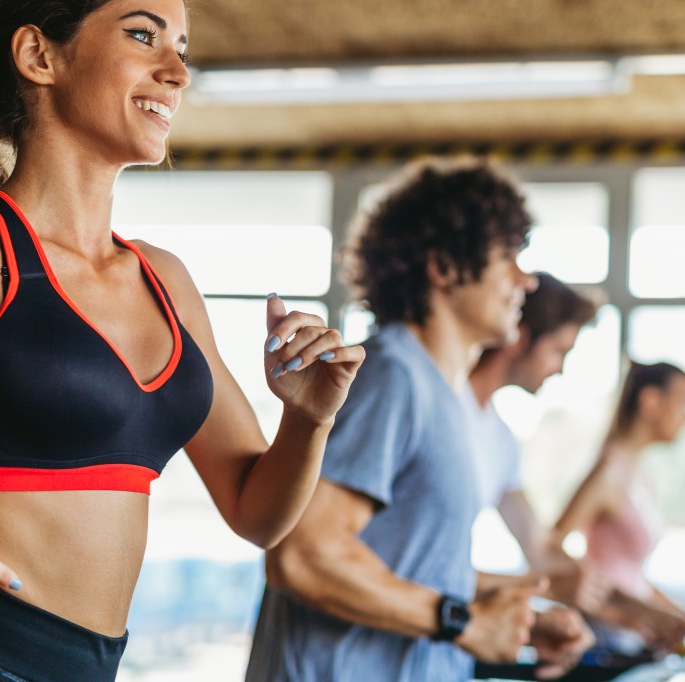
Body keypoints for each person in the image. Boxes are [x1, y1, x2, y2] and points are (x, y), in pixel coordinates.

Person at [0, 2, 364, 680]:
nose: (177, 72)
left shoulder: (165, 281)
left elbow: (254, 511)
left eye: (183, 48)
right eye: (143, 35)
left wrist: (308, 418)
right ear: (39, 56)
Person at [246, 158, 592, 682]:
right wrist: (463, 623)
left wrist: (512, 618)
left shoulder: (441, 393)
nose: (525, 279)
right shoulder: (393, 374)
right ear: (445, 267)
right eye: (508, 257)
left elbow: (404, 566)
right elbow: (304, 556)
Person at [465, 272, 607, 612]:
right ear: (519, 337)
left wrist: (631, 610)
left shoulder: (500, 437)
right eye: (558, 350)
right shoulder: (440, 409)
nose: (559, 370)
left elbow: (538, 545)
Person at [554, 360, 685, 651]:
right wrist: (612, 612)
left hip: (633, 635)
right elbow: (551, 548)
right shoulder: (609, 471)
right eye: (682, 403)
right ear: (650, 400)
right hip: (605, 638)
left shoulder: (639, 473)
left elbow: (633, 577)